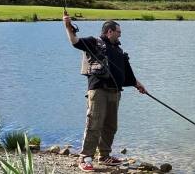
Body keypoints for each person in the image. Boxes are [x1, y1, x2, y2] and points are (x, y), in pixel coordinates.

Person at [63, 12, 147, 172]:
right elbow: (74, 41)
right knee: (94, 124)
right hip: (99, 91)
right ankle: (85, 158)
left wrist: (138, 84)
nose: (120, 34)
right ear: (109, 31)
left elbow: (127, 74)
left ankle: (104, 156)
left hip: (115, 93)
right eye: (118, 32)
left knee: (110, 126)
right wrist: (67, 26)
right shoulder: (94, 42)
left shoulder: (119, 50)